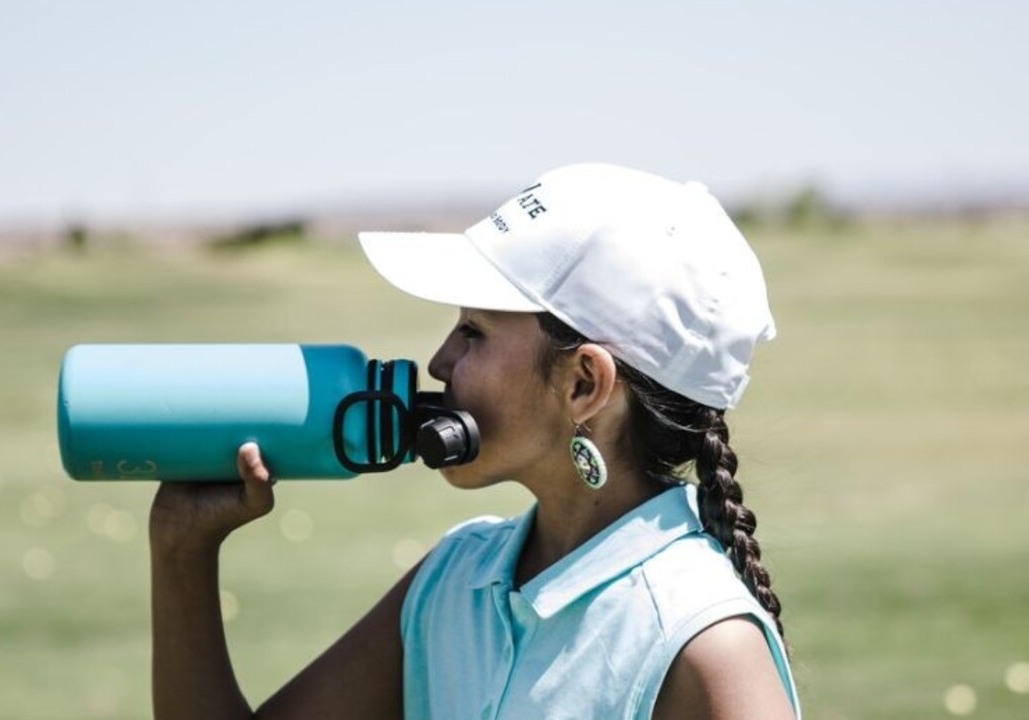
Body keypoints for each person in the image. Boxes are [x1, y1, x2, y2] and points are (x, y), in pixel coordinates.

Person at [149, 163, 801, 719]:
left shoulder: (705, 642)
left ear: (582, 385)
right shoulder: (454, 580)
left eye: (474, 333)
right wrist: (182, 549)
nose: (437, 362)